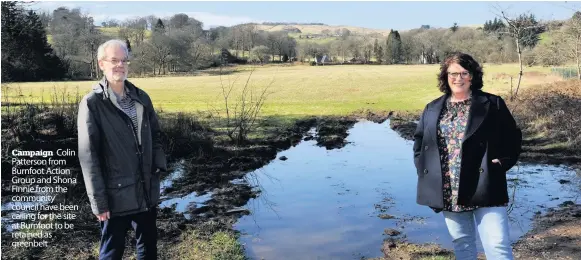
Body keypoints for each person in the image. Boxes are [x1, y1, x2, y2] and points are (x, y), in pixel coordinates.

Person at [412, 52, 522, 259]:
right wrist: (425, 170)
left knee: (497, 244)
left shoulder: (492, 104)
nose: (458, 78)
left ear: (472, 76)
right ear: (445, 76)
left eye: (464, 73)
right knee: (462, 244)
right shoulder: (433, 108)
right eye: (453, 73)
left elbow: (513, 137)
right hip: (449, 188)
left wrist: (501, 163)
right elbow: (420, 143)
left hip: (485, 182)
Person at [77, 39, 166, 260]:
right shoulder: (92, 103)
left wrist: (158, 167)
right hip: (114, 196)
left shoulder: (141, 97)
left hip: (146, 191)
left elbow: (156, 136)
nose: (120, 65)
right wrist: (99, 202)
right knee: (111, 252)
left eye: (124, 60)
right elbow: (89, 157)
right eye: (114, 60)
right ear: (101, 64)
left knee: (148, 250)